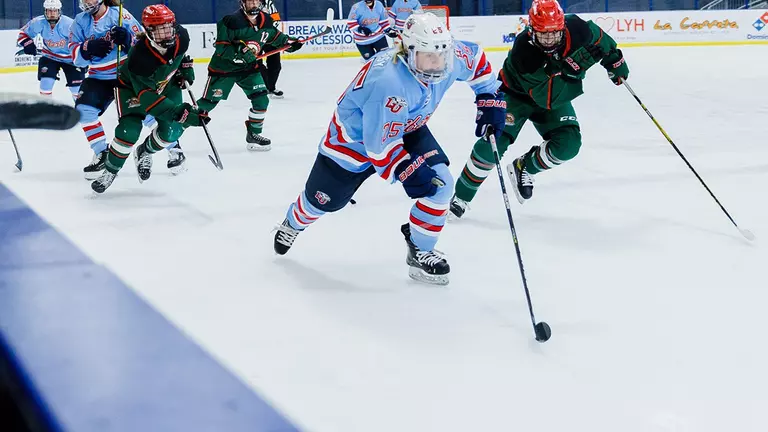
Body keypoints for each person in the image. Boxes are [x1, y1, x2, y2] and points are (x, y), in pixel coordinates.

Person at [273, 13, 505, 286]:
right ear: (408, 51)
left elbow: (476, 60)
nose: (437, 63)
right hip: (351, 145)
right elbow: (380, 147)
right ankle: (293, 223)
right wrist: (406, 170)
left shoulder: (445, 54)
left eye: (441, 55)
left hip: (407, 128)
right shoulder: (389, 82)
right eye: (428, 56)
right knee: (320, 202)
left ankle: (421, 249)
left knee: (440, 185)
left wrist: (488, 97)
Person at [450, 0, 630, 217]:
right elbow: (546, 98)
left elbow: (600, 38)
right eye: (543, 35)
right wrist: (574, 72)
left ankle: (524, 167)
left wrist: (615, 61)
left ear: (562, 26)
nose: (549, 40)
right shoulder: (523, 50)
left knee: (569, 144)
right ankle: (461, 196)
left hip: (556, 89)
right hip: (515, 95)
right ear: (531, 29)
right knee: (492, 145)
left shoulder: (576, 27)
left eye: (554, 34)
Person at [91, 5, 208, 193]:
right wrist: (183, 113)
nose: (167, 33)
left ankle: (145, 151)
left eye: (169, 26)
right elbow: (149, 100)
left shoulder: (182, 36)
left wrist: (185, 68)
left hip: (165, 84)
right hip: (132, 89)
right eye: (161, 29)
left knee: (171, 132)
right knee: (129, 131)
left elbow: (181, 56)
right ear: (148, 31)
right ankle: (110, 170)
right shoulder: (140, 58)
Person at [69, 0, 185, 180]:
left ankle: (173, 146)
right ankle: (102, 154)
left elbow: (145, 43)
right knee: (84, 112)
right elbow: (75, 58)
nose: (87, 2)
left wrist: (128, 40)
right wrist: (86, 49)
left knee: (146, 112)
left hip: (127, 74)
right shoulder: (79, 21)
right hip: (98, 76)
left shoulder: (121, 15)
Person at [196, 0, 303, 152]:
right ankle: (177, 125)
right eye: (250, 1)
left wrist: (290, 43)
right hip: (224, 71)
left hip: (248, 70)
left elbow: (277, 38)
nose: (253, 4)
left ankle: (254, 134)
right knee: (208, 104)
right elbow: (221, 48)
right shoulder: (230, 22)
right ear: (243, 3)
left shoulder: (266, 21)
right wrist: (239, 54)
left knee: (261, 99)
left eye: (256, 1)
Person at [17, 0, 86, 100]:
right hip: (50, 57)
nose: (52, 14)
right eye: (49, 11)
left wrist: (83, 58)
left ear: (59, 11)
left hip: (71, 59)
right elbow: (23, 34)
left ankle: (82, 112)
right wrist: (27, 43)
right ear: (45, 11)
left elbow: (82, 41)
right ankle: (47, 110)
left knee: (76, 90)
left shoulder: (69, 24)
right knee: (46, 84)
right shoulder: (39, 22)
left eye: (54, 11)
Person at [257, 0, 285, 98]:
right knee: (257, 65)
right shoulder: (248, 3)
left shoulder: (269, 3)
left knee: (276, 65)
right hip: (255, 39)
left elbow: (276, 19)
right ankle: (265, 87)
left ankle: (271, 88)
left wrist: (270, 33)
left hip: (270, 37)